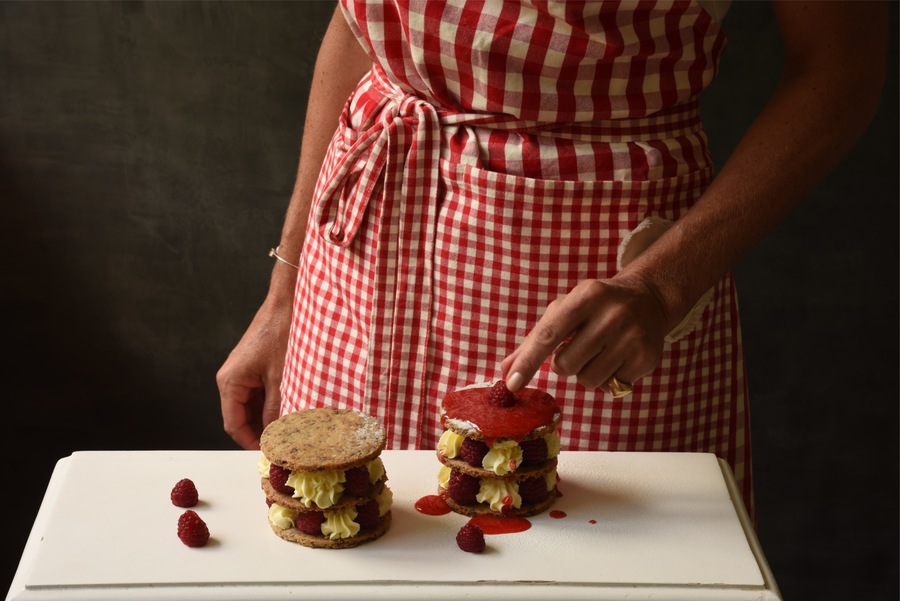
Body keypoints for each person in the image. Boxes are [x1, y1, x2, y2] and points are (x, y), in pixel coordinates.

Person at [217, 0, 886, 513]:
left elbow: (841, 64)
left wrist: (660, 287)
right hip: (360, 266)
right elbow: (358, 22)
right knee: (355, 543)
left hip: (601, 291)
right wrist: (287, 288)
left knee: (587, 551)